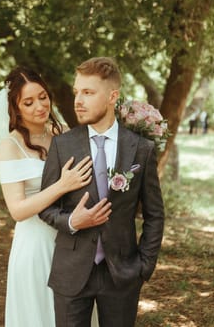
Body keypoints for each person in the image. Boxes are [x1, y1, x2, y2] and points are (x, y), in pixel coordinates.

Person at [39, 57, 165, 327]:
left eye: (88, 92)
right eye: (76, 92)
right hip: (71, 271)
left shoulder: (141, 149)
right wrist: (73, 221)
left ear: (112, 96)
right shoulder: (62, 146)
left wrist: (144, 266)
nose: (78, 100)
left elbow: (155, 214)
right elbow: (47, 208)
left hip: (122, 273)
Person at [0, 66, 110, 327]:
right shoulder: (9, 147)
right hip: (36, 246)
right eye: (29, 102)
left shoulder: (62, 133)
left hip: (72, 241)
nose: (40, 105)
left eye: (43, 96)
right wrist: (61, 186)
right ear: (16, 108)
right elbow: (18, 210)